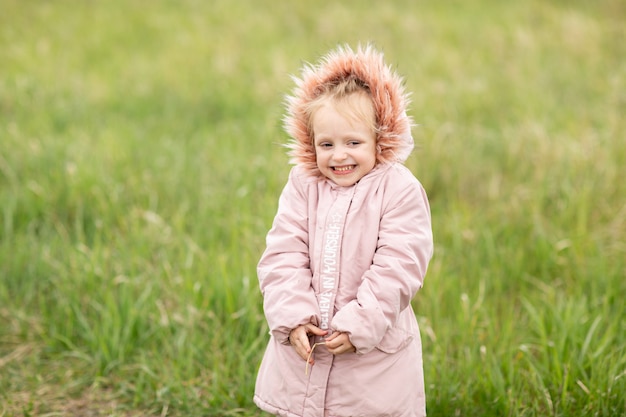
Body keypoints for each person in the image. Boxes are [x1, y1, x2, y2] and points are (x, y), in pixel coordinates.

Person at [254, 44, 434, 417]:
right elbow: (284, 252)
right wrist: (293, 317)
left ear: (379, 139)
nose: (339, 155)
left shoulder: (398, 190)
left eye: (353, 142)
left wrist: (360, 323)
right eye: (327, 144)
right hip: (308, 351)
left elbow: (400, 264)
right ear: (311, 143)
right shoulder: (304, 185)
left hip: (371, 360)